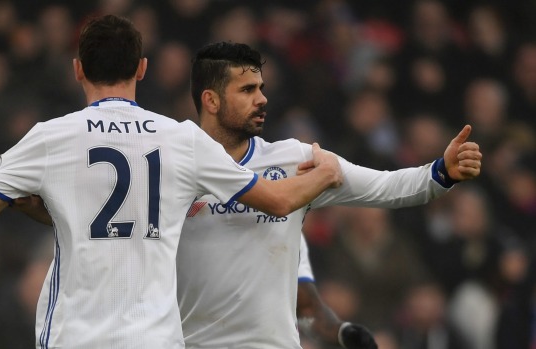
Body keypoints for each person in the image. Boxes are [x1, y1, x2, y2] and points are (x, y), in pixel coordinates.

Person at [0, 16, 344, 349]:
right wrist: (326, 173)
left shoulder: (51, 138)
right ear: (141, 68)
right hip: (154, 338)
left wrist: (0, 192)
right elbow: (277, 201)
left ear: (78, 69)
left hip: (76, 335)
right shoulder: (182, 139)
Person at [175, 42, 482, 349]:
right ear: (211, 100)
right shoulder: (169, 168)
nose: (262, 99)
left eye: (261, 88)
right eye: (247, 90)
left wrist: (442, 171)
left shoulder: (296, 160)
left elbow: (386, 187)